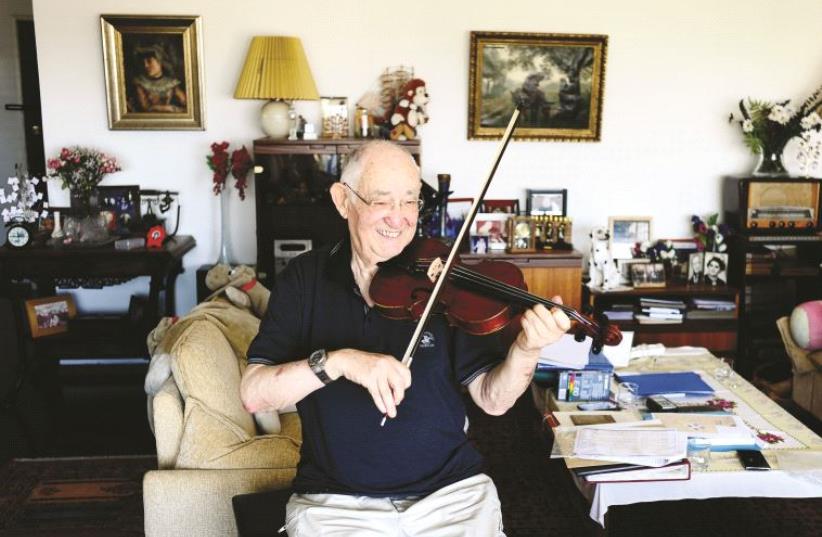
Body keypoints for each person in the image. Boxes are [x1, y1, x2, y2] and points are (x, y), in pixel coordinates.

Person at [240, 141, 570, 536]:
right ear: (343, 200)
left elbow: (493, 400)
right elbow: (255, 393)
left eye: (410, 202)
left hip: (451, 495)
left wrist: (526, 350)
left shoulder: (442, 280)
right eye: (382, 201)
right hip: (337, 503)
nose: (398, 219)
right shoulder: (304, 278)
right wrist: (341, 361)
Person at [128, 44, 187, 113]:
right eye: (142, 63)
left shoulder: (171, 83)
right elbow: (146, 109)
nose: (146, 66)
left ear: (160, 62)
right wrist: (169, 108)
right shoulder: (140, 83)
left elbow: (187, 105)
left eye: (149, 61)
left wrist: (175, 109)